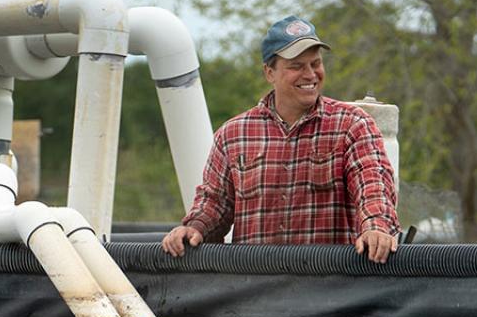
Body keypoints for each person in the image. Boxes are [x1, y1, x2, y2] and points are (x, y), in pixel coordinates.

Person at [161, 16, 400, 263]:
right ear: (269, 72)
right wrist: (193, 228)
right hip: (255, 290)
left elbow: (373, 186)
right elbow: (215, 204)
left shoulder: (353, 124)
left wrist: (376, 227)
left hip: (333, 292)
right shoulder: (232, 135)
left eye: (315, 63)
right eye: (297, 66)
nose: (310, 74)